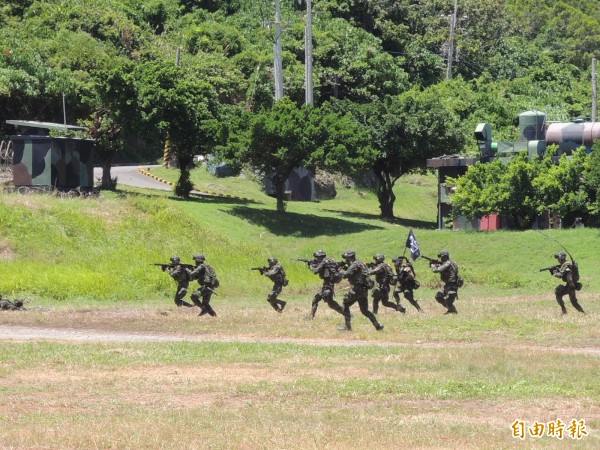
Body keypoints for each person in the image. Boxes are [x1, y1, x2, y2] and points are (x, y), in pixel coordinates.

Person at [338, 250, 383, 331]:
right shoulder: (360, 263)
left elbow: (345, 275)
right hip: (364, 289)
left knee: (345, 303)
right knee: (364, 310)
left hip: (357, 289)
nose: (345, 260)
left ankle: (347, 327)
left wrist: (339, 270)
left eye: (346, 258)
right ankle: (378, 325)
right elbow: (356, 272)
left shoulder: (354, 264)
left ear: (350, 258)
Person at [306, 250, 345, 319]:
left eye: (317, 257)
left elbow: (315, 271)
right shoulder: (330, 261)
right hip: (328, 284)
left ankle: (347, 313)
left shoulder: (324, 262)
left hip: (328, 286)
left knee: (330, 303)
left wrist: (310, 266)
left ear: (320, 257)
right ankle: (311, 316)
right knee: (318, 300)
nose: (316, 259)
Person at [430, 250, 461, 314]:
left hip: (452, 285)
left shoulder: (448, 263)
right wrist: (438, 264)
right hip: (448, 285)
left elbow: (436, 270)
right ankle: (450, 309)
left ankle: (454, 311)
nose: (441, 259)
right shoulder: (452, 262)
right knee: (438, 296)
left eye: (442, 257)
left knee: (448, 301)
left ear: (445, 256)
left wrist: (432, 265)